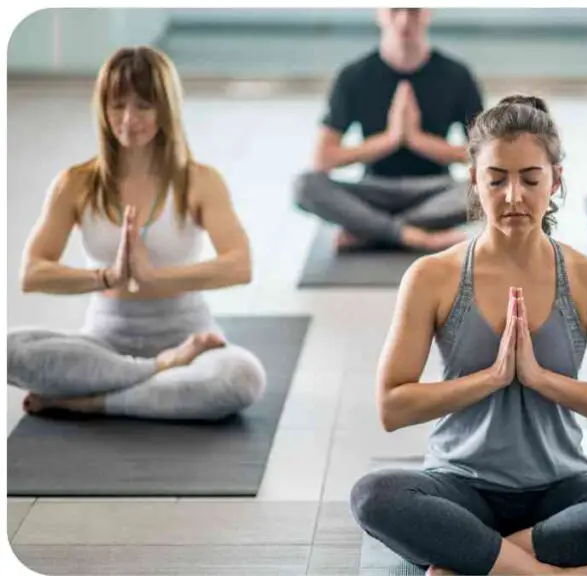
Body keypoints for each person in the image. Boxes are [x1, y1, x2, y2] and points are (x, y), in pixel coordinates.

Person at [349, 96, 587, 576]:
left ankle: (481, 559)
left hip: (558, 492)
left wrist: (539, 378)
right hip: (460, 486)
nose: (513, 197)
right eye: (497, 179)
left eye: (530, 179)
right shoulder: (432, 277)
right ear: (473, 180)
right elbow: (391, 407)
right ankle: (550, 573)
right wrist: (491, 378)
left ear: (556, 179)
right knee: (374, 496)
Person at [7, 46, 266, 420]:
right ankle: (157, 371)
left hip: (188, 334)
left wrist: (154, 278)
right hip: (104, 342)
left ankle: (94, 400)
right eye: (117, 106)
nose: (129, 119)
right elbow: (32, 273)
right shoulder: (75, 184)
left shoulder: (199, 181)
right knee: (10, 350)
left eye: (143, 106)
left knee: (241, 378)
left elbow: (240, 266)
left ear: (165, 108)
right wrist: (108, 277)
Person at [293, 8, 485, 252]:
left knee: (493, 185)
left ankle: (374, 232)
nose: (404, 20)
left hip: (435, 190)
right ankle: (414, 234)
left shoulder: (457, 75)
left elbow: (486, 156)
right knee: (304, 185)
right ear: (379, 14)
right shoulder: (353, 76)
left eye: (413, 11)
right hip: (373, 192)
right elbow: (322, 159)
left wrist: (417, 140)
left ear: (428, 13)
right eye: (395, 10)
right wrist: (390, 139)